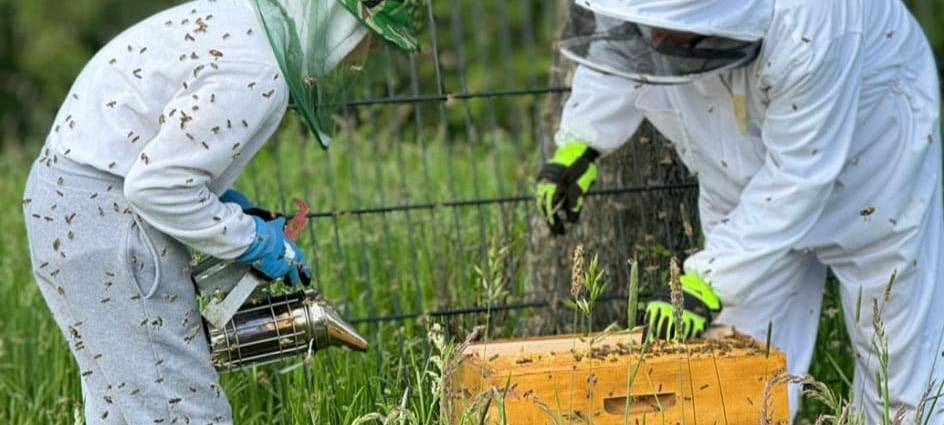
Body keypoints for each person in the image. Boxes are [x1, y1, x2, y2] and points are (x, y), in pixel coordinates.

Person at [535, 0, 943, 422]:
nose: (654, 37)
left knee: (898, 361)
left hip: (874, 156)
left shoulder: (813, 20)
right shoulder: (660, 23)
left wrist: (712, 278)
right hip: (736, 164)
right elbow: (623, 45)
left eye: (667, 27)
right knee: (735, 365)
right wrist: (582, 141)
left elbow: (798, 176)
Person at [21, 0, 420, 423]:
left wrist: (229, 206)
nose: (361, 59)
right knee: (188, 413)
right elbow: (154, 186)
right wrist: (251, 240)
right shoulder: (258, 70)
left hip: (71, 206)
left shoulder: (242, 25)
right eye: (369, 41)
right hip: (106, 225)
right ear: (341, 22)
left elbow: (153, 150)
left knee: (124, 412)